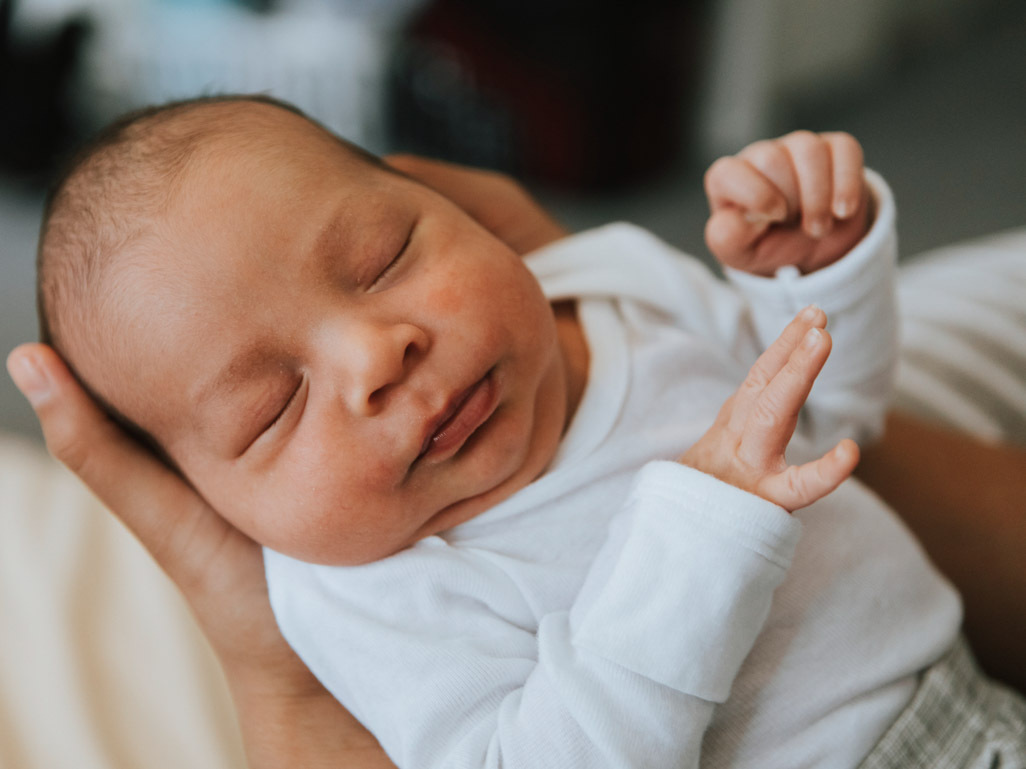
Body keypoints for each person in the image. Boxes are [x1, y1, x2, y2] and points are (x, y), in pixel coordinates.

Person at [6, 95, 1025, 768]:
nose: (377, 354)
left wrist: (815, 278)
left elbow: (832, 427)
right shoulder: (373, 590)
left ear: (455, 202)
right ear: (217, 502)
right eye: (271, 409)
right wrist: (700, 535)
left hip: (979, 703)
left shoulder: (606, 284)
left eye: (384, 255)